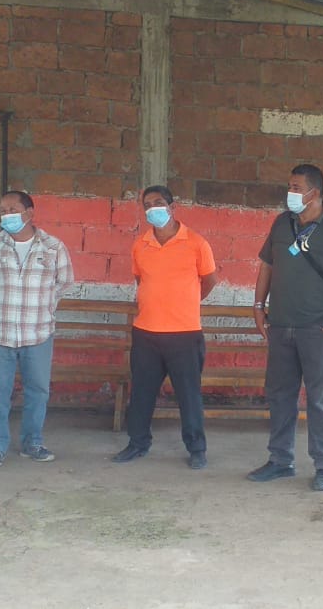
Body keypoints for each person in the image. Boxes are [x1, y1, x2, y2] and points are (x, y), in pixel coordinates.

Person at [246, 164, 323, 492]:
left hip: (321, 331)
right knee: (280, 396)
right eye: (290, 186)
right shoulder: (281, 223)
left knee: (321, 400)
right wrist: (258, 306)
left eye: (296, 187)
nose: (290, 193)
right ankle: (280, 460)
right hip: (281, 326)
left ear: (314, 193)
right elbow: (267, 266)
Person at [112, 185, 217, 469]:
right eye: (147, 205)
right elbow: (141, 280)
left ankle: (197, 448)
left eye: (158, 203)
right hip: (146, 332)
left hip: (185, 334)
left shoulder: (196, 243)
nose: (152, 209)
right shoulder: (140, 245)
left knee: (189, 395)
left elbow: (209, 280)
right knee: (142, 393)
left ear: (173, 207)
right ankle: (137, 443)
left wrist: (185, 302)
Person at [0, 191, 74, 468]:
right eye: (3, 210)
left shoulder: (52, 247)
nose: (7, 215)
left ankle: (32, 442)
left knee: (38, 391)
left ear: (30, 213)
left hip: (38, 332)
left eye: (13, 209)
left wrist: (42, 305)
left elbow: (64, 282)